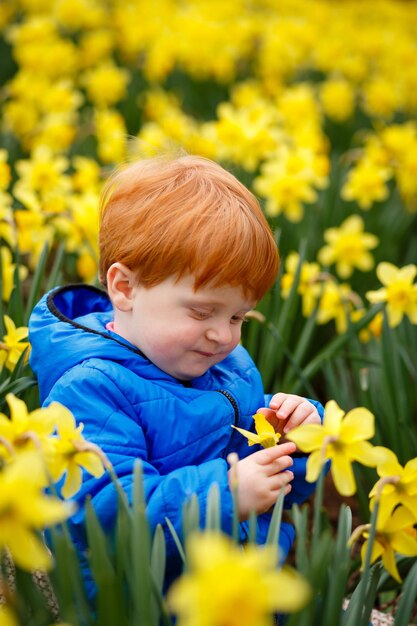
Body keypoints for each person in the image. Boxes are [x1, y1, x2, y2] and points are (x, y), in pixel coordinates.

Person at [29, 155, 323, 598]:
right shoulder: (90, 389)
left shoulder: (229, 367)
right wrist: (226, 495)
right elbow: (102, 515)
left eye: (239, 316)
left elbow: (275, 488)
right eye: (202, 311)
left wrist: (296, 440)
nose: (223, 334)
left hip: (236, 595)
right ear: (124, 288)